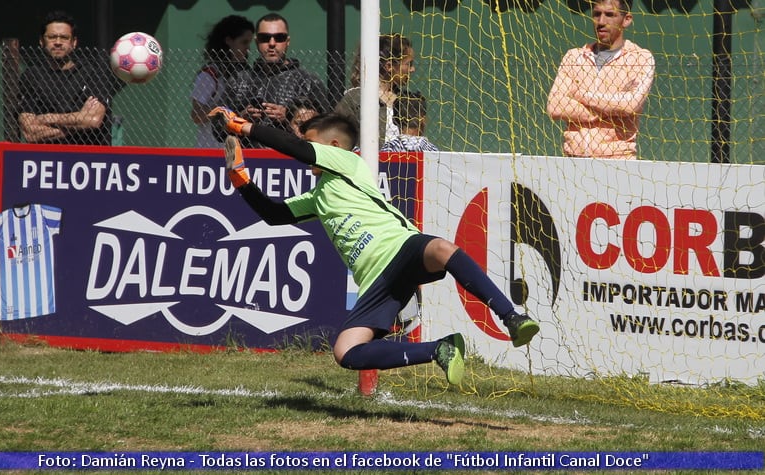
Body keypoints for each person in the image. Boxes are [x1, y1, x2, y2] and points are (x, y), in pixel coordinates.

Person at [208, 107, 541, 385]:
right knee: (346, 351)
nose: (306, 151)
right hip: (375, 282)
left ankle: (511, 317)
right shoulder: (319, 195)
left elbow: (297, 150)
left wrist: (244, 126)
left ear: (334, 146)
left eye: (311, 142)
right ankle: (440, 349)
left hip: (399, 246)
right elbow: (274, 214)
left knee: (441, 249)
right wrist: (241, 180)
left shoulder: (348, 164)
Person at [546, 0, 655, 159]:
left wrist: (580, 95)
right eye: (597, 14)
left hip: (618, 160)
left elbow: (630, 105)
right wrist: (605, 112)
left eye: (610, 15)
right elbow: (554, 106)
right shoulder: (574, 57)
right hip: (573, 159)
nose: (601, 22)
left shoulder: (640, 58)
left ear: (627, 20)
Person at [221, 13, 330, 147]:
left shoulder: (307, 81)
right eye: (265, 38)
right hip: (247, 160)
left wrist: (289, 117)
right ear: (256, 41)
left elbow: (326, 128)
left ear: (287, 41)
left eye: (279, 37)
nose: (272, 43)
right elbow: (217, 130)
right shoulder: (239, 81)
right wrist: (241, 119)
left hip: (291, 161)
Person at [17, 10, 122, 146]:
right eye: (52, 37)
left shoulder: (93, 75)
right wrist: (79, 123)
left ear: (74, 42)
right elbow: (30, 133)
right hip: (45, 161)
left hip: (90, 159)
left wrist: (47, 118)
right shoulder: (31, 77)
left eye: (64, 37)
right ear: (42, 41)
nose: (58, 42)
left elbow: (92, 120)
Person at [335, 34, 416, 147]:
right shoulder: (355, 98)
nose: (412, 69)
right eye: (408, 64)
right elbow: (337, 135)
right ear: (389, 66)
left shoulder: (407, 100)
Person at [190, 15, 254, 148]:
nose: (248, 48)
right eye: (244, 42)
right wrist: (226, 112)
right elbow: (196, 115)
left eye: (249, 43)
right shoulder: (211, 74)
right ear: (229, 41)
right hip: (211, 149)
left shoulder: (245, 73)